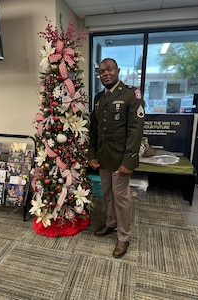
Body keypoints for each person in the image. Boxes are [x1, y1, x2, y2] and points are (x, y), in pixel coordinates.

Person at [87, 58, 145, 258]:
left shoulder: (131, 95)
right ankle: (111, 223)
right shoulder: (99, 97)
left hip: (121, 159)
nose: (105, 73)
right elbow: (94, 130)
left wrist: (129, 161)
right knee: (108, 195)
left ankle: (123, 237)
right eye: (102, 71)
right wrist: (92, 155)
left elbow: (135, 131)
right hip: (104, 158)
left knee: (121, 198)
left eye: (109, 69)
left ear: (118, 70)